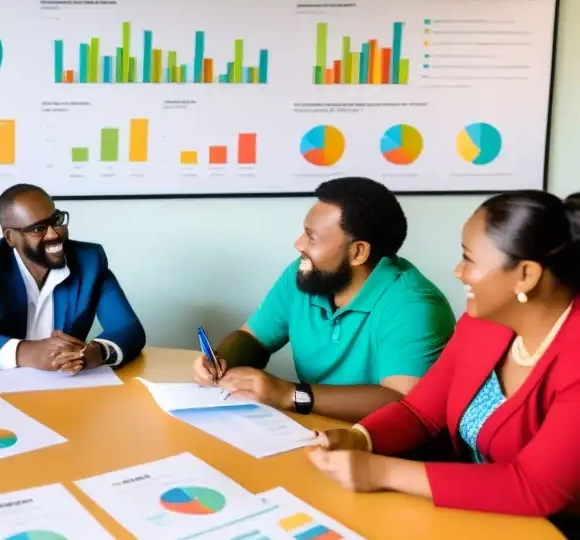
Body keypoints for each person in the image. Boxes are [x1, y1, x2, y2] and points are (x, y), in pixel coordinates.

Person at [308, 190, 580, 540]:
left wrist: (381, 470)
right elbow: (420, 412)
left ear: (526, 275)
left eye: (469, 259)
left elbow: (534, 487)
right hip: (479, 520)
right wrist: (361, 437)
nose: (458, 271)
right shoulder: (482, 323)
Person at [194, 177, 456, 422]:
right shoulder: (304, 276)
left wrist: (289, 394)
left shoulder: (414, 306)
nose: (299, 244)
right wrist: (220, 360)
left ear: (358, 252)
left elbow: (404, 404)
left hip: (386, 453)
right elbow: (253, 338)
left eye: (312, 237)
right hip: (316, 434)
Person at [0, 183, 145, 371]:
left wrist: (97, 353)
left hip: (67, 384)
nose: (53, 234)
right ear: (9, 237)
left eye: (56, 221)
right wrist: (28, 352)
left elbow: (128, 327)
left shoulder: (89, 261)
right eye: (38, 229)